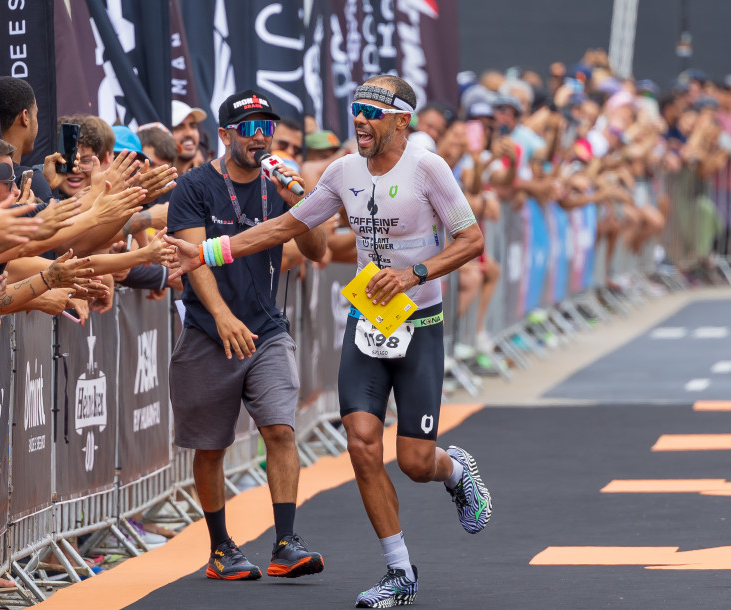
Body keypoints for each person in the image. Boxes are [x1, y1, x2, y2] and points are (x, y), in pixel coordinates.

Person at [166, 76, 492, 607]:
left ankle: (455, 471)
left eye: (372, 112)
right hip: (368, 321)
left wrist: (414, 274)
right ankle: (399, 571)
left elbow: (472, 239)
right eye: (356, 109)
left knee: (414, 462)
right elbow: (283, 229)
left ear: (401, 120)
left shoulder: (429, 168)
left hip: (420, 323)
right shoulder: (343, 171)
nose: (360, 119)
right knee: (361, 442)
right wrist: (207, 254)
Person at [166, 89, 328, 581]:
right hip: (207, 332)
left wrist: (300, 201)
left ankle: (286, 543)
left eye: (267, 128)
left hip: (267, 331)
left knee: (280, 429)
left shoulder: (280, 183)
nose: (261, 137)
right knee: (211, 446)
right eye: (250, 128)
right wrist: (220, 316)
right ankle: (220, 549)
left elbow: (317, 250)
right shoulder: (194, 186)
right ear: (225, 135)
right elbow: (193, 259)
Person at [171, 100, 207, 174]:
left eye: (193, 126)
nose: (189, 133)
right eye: (178, 127)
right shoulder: (152, 179)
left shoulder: (211, 176)